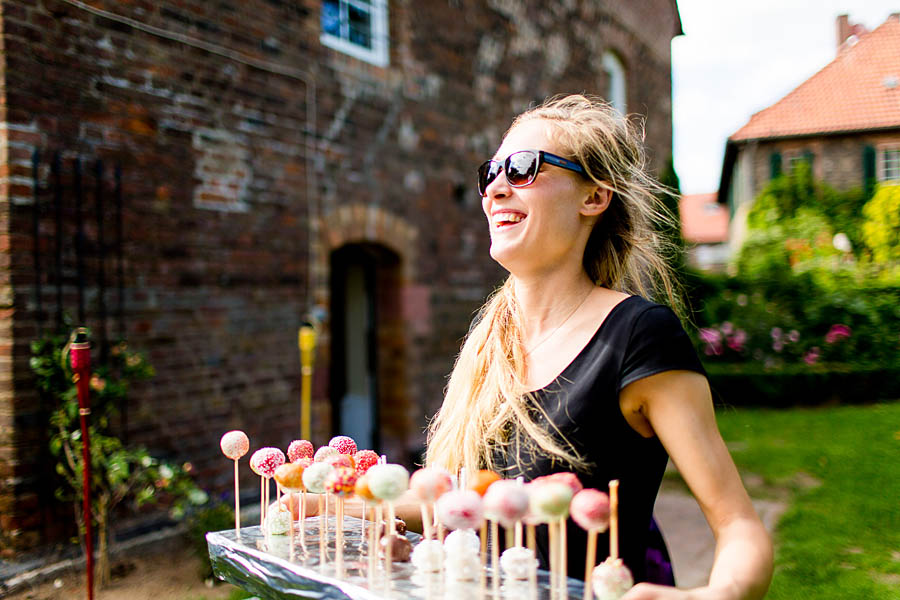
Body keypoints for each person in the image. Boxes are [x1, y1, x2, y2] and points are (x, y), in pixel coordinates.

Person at [422, 94, 772, 599]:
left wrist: (713, 596)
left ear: (594, 198)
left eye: (523, 168)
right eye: (490, 172)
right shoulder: (486, 344)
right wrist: (340, 500)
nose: (496, 188)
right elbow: (455, 495)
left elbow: (739, 526)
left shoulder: (638, 335)